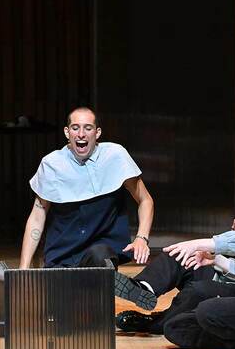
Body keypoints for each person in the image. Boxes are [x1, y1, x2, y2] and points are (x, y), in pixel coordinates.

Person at [116, 150, 235, 349]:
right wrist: (214, 259)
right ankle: (143, 289)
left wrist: (204, 243)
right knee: (180, 256)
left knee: (197, 292)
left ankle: (155, 322)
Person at [19, 106, 155, 277]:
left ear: (97, 133)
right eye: (75, 128)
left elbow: (145, 200)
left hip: (101, 250)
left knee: (100, 258)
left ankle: (111, 284)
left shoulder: (115, 156)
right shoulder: (52, 164)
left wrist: (142, 238)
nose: (81, 134)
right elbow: (38, 215)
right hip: (62, 253)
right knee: (62, 301)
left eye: (87, 128)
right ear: (67, 132)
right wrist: (23, 269)